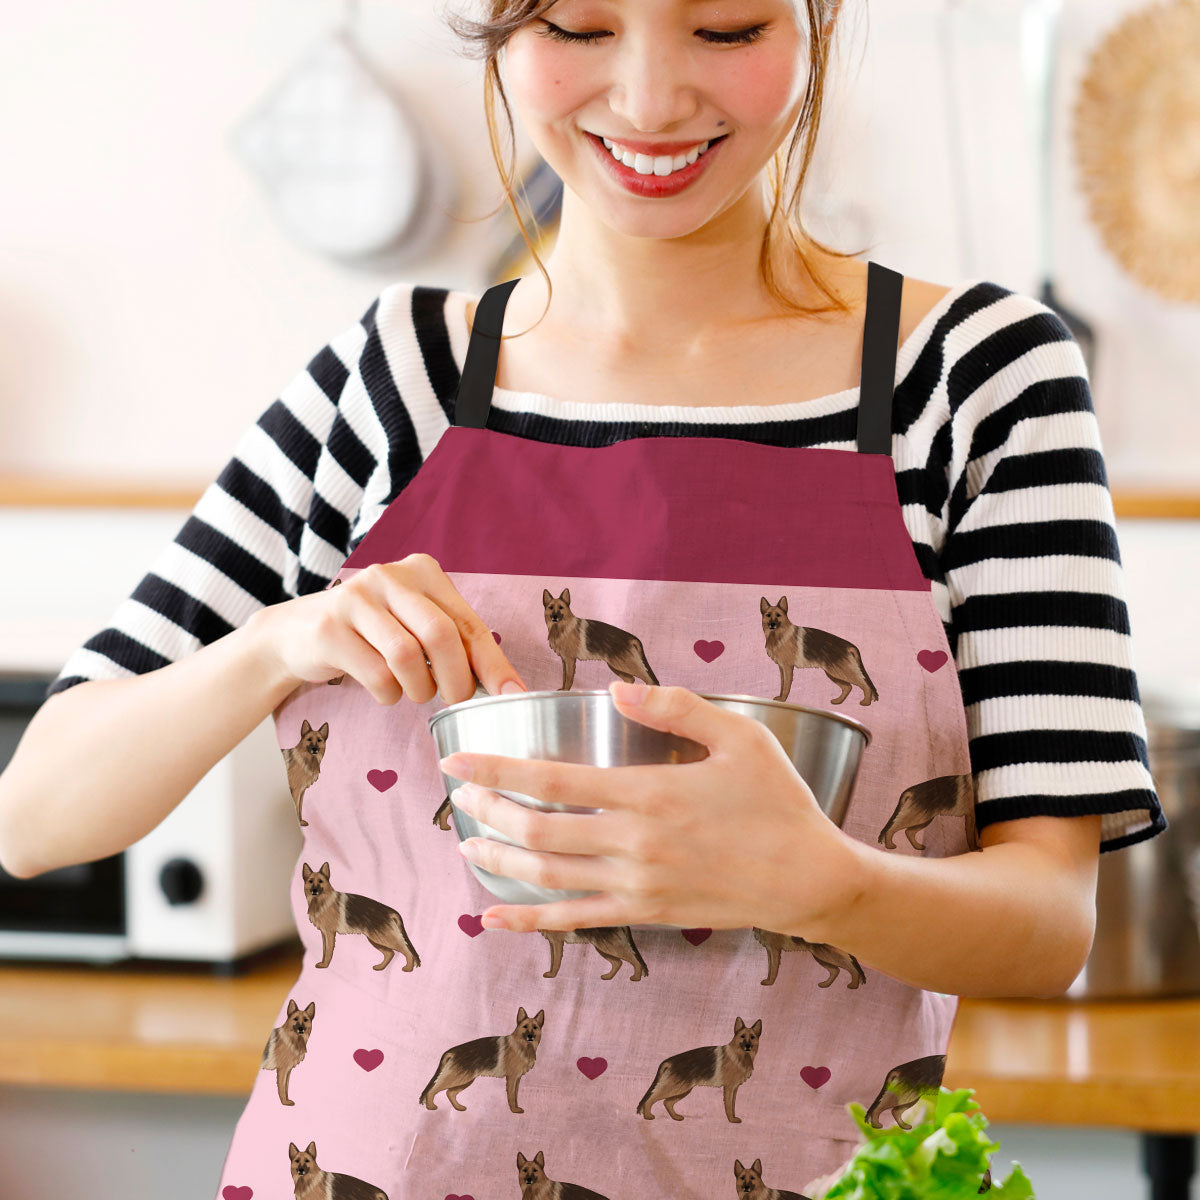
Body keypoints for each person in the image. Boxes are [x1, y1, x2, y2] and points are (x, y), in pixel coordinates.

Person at [0, 1, 1166, 1196]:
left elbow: (1047, 923)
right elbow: (35, 816)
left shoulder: (975, 382)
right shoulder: (393, 381)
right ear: (499, 31)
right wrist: (275, 641)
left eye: (726, 28)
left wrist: (823, 882)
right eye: (578, 24)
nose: (653, 100)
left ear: (816, 22)